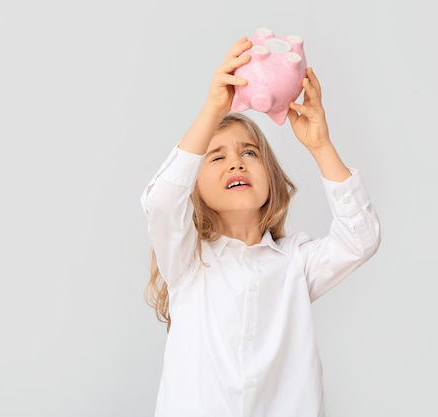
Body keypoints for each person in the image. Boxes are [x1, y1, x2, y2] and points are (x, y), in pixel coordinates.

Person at [140, 37, 381, 417]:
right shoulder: (187, 261)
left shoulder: (295, 263)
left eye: (249, 152)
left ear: (270, 175)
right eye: (216, 157)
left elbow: (361, 239)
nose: (236, 163)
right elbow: (164, 201)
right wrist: (213, 109)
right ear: (195, 187)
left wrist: (321, 147)